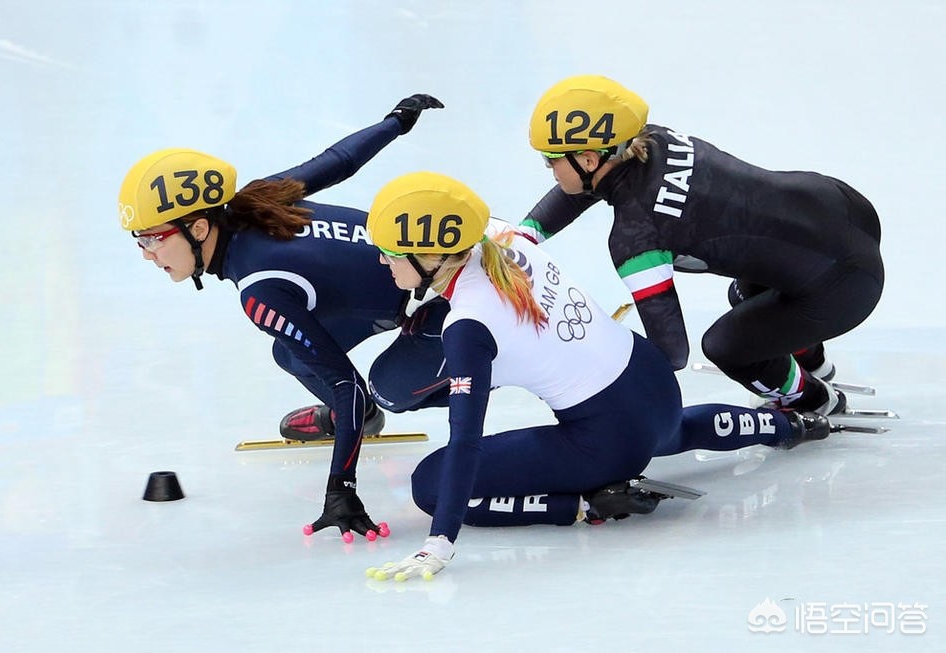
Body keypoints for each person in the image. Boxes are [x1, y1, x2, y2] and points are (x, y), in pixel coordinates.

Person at [363, 171, 832, 582]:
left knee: (429, 482)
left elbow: (465, 440)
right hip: (650, 379)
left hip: (607, 441)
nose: (382, 262)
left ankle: (586, 505)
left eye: (388, 252)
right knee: (676, 431)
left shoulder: (468, 325)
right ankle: (791, 424)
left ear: (429, 255)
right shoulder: (497, 234)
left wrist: (438, 542)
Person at [118, 95, 451, 542]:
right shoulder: (252, 200)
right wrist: (395, 122)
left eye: (153, 239)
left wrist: (341, 489)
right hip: (426, 269)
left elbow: (345, 385)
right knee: (291, 353)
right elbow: (336, 162)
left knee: (386, 389)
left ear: (198, 229)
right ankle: (359, 417)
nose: (147, 255)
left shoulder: (260, 290)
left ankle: (487, 376)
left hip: (450, 294)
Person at [520, 75, 884, 416]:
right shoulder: (650, 139)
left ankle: (816, 400)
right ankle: (815, 361)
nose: (549, 169)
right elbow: (593, 183)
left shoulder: (636, 239)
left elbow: (673, 351)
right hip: (844, 208)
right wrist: (523, 237)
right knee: (747, 293)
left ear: (588, 158)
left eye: (551, 159)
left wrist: (589, 350)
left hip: (844, 286)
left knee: (727, 347)